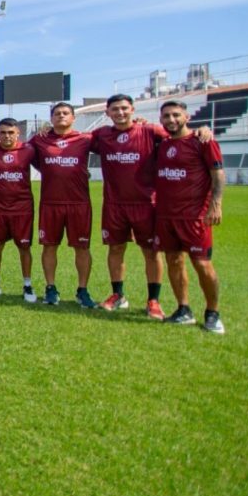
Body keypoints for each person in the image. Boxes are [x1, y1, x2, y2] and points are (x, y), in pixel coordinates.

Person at [89, 94, 169, 319]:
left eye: (124, 108)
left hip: (146, 203)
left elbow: (181, 136)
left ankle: (153, 300)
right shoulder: (102, 135)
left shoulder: (150, 131)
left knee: (151, 252)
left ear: (132, 109)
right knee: (115, 249)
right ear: (108, 113)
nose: (120, 113)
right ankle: (118, 295)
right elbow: (72, 140)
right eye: (115, 109)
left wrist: (202, 131)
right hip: (114, 204)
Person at [155, 100, 225, 333]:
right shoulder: (162, 145)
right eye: (166, 116)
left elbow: (218, 174)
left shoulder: (203, 141)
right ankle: (183, 309)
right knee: (174, 260)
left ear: (187, 117)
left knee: (202, 264)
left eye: (176, 115)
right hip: (166, 216)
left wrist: (216, 204)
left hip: (195, 217)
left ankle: (213, 313)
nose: (171, 120)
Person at [29, 103, 98, 308]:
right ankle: (51, 288)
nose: (61, 116)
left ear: (73, 118)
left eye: (65, 113)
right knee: (49, 247)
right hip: (51, 203)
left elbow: (116, 143)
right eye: (57, 113)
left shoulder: (86, 139)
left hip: (79, 203)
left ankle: (82, 290)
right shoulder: (40, 140)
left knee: (82, 248)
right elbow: (23, 152)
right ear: (51, 118)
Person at [0, 118, 38, 303]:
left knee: (24, 247)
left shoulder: (28, 150)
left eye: (10, 132)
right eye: (2, 132)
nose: (6, 136)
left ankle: (27, 284)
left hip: (22, 208)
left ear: (17, 133)